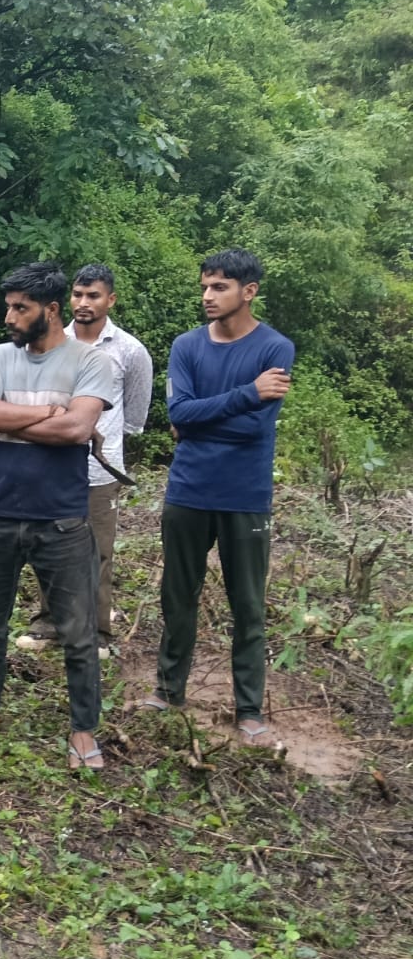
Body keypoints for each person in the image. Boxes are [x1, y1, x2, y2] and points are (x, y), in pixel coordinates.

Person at [0, 263, 114, 770]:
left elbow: (77, 431)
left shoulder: (90, 361)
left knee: (77, 629)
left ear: (51, 310)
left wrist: (30, 419)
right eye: (9, 306)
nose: (10, 316)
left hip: (61, 520)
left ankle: (84, 729)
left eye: (21, 308)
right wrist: (49, 414)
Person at [144, 249, 294, 750]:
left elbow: (253, 430)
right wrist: (248, 392)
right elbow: (179, 413)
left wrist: (201, 419)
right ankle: (168, 690)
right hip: (187, 490)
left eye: (220, 287)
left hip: (245, 495)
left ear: (248, 291)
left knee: (247, 604)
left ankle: (248, 709)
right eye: (205, 287)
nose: (208, 296)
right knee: (177, 594)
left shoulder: (276, 347)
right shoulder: (186, 346)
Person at [16, 264, 153, 659]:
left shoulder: (129, 351)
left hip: (99, 469)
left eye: (93, 296)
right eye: (78, 295)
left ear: (110, 299)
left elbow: (133, 417)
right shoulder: (47, 343)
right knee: (46, 543)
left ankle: (98, 632)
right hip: (51, 462)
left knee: (98, 550)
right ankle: (48, 623)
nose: (83, 303)